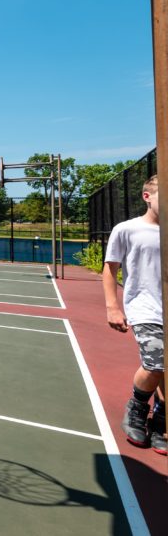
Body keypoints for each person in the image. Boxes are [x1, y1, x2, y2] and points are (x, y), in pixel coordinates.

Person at [103, 175, 164, 454]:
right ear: (147, 196)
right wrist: (112, 307)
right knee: (155, 364)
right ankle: (137, 407)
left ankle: (161, 417)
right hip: (144, 307)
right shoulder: (127, 229)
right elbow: (111, 267)